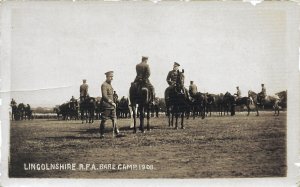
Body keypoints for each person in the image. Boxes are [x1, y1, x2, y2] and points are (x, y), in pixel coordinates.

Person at [99, 71, 123, 139]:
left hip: (112, 106)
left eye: (112, 77)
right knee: (104, 120)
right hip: (106, 105)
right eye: (111, 77)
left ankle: (117, 132)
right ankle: (102, 134)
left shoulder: (110, 85)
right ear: (107, 77)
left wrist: (114, 100)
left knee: (114, 119)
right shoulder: (104, 85)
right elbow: (104, 96)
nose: (112, 78)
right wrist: (111, 102)